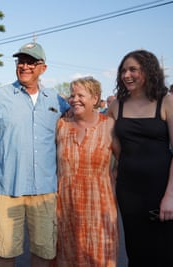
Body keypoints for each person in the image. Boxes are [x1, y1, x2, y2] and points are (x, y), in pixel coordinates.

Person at [0, 42, 70, 267]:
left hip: (45, 189)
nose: (24, 66)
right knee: (6, 252)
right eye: (21, 61)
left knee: (44, 251)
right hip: (8, 188)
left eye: (31, 62)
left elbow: (78, 123)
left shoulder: (56, 100)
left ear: (43, 68)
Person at [108, 49, 173, 266]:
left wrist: (171, 195)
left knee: (164, 253)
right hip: (129, 192)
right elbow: (100, 135)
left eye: (133, 69)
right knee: (136, 251)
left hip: (161, 190)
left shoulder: (168, 102)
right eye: (123, 70)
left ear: (149, 71)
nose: (126, 75)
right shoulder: (117, 105)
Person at [54, 77, 118, 266]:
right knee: (66, 253)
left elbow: (125, 161)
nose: (74, 99)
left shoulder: (109, 126)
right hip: (65, 203)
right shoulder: (61, 125)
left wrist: (113, 181)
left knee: (98, 255)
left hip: (99, 203)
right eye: (72, 95)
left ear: (95, 98)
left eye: (81, 95)